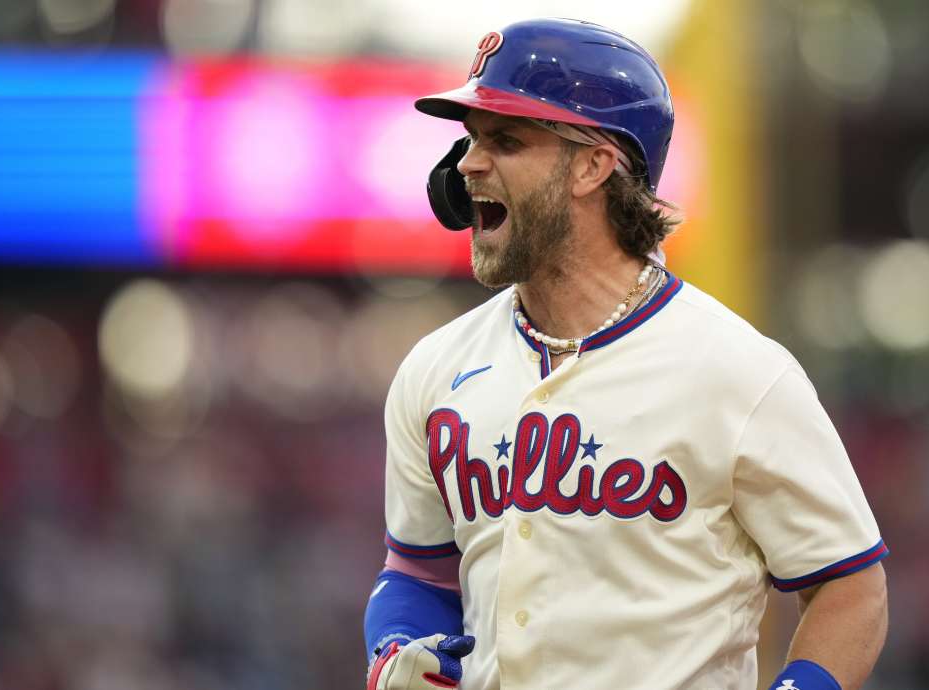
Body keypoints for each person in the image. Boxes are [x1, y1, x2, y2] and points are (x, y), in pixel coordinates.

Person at [363, 17, 888, 690]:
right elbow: (416, 572)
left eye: (506, 140)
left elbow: (850, 587)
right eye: (471, 139)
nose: (467, 164)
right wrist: (397, 646)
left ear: (593, 165)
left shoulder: (738, 371)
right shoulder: (435, 369)